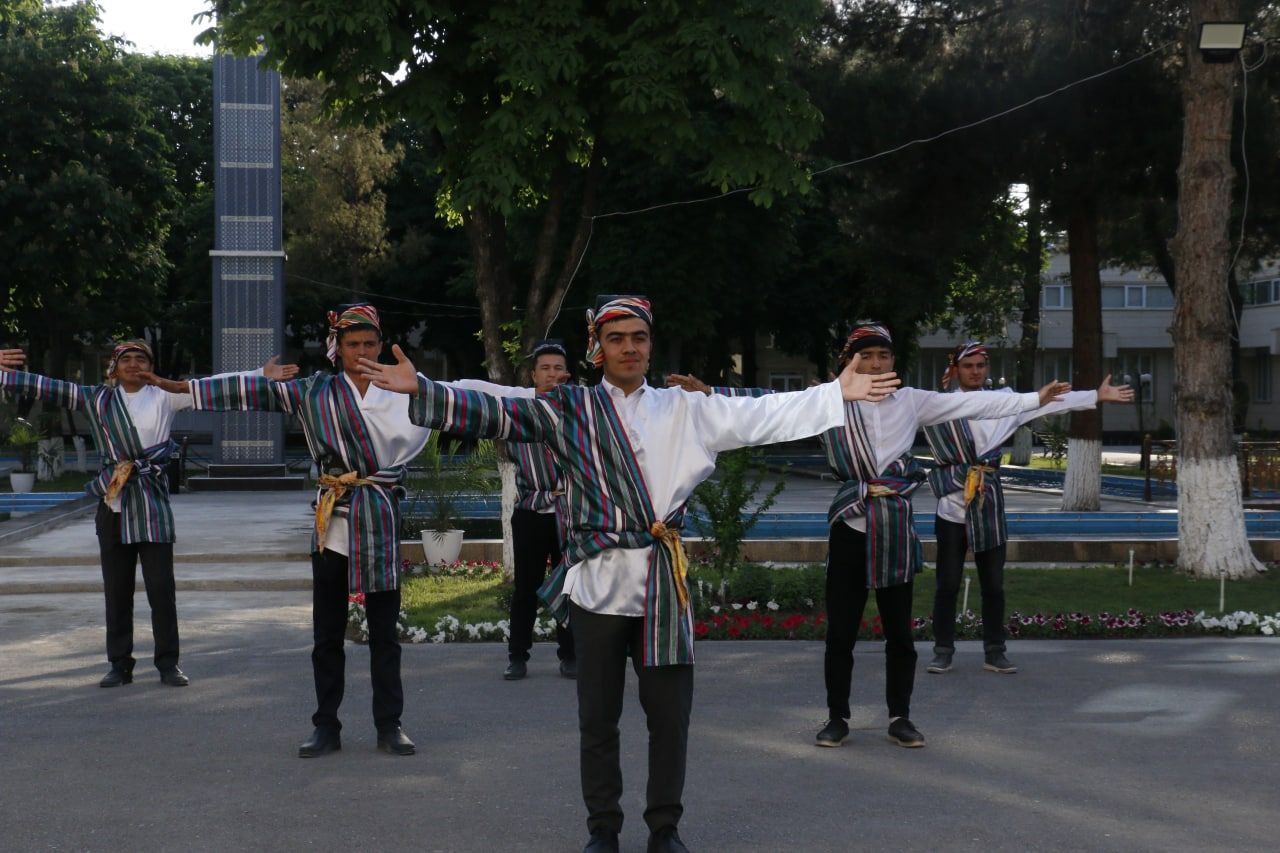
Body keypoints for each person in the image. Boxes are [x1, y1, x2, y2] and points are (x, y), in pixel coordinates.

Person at [356, 295, 901, 853]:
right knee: (598, 721)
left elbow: (762, 414)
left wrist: (836, 393)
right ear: (598, 348)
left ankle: (664, 829)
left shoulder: (686, 409)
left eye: (639, 337)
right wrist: (423, 390)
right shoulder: (568, 407)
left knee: (670, 722)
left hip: (663, 587)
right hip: (596, 588)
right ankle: (604, 830)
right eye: (617, 339)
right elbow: (496, 412)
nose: (630, 348)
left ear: (650, 343)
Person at [809, 322, 1070, 751]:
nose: (876, 364)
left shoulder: (912, 402)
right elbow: (770, 407)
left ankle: (900, 717)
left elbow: (979, 406)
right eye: (866, 356)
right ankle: (837, 717)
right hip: (851, 527)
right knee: (841, 632)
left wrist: (1033, 399)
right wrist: (711, 395)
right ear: (849, 360)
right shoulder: (829, 401)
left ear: (894, 361)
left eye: (884, 356)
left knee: (900, 633)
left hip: (894, 526)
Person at [0, 341, 295, 688]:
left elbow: (214, 386)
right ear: (114, 366)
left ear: (151, 366)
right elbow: (47, 386)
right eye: (126, 358)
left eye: (142, 358)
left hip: (152, 501)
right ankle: (119, 663)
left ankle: (168, 663)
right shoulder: (96, 398)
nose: (134, 364)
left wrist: (260, 374)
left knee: (161, 589)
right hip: (113, 501)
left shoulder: (165, 396)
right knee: (117, 590)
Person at [923, 340, 1132, 675]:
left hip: (988, 505)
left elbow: (1048, 403)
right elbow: (896, 410)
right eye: (968, 366)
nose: (975, 372)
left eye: (980, 366)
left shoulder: (1007, 401)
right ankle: (943, 651)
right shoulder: (939, 406)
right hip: (951, 507)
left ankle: (995, 652)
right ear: (957, 369)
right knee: (947, 584)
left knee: (993, 585)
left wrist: (1095, 395)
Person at [503, 339, 577, 681]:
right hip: (531, 509)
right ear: (533, 375)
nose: (552, 374)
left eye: (558, 368)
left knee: (571, 584)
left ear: (568, 373)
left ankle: (571, 655)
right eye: (545, 368)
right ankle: (517, 656)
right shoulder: (518, 409)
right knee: (526, 587)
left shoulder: (581, 411)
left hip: (569, 512)